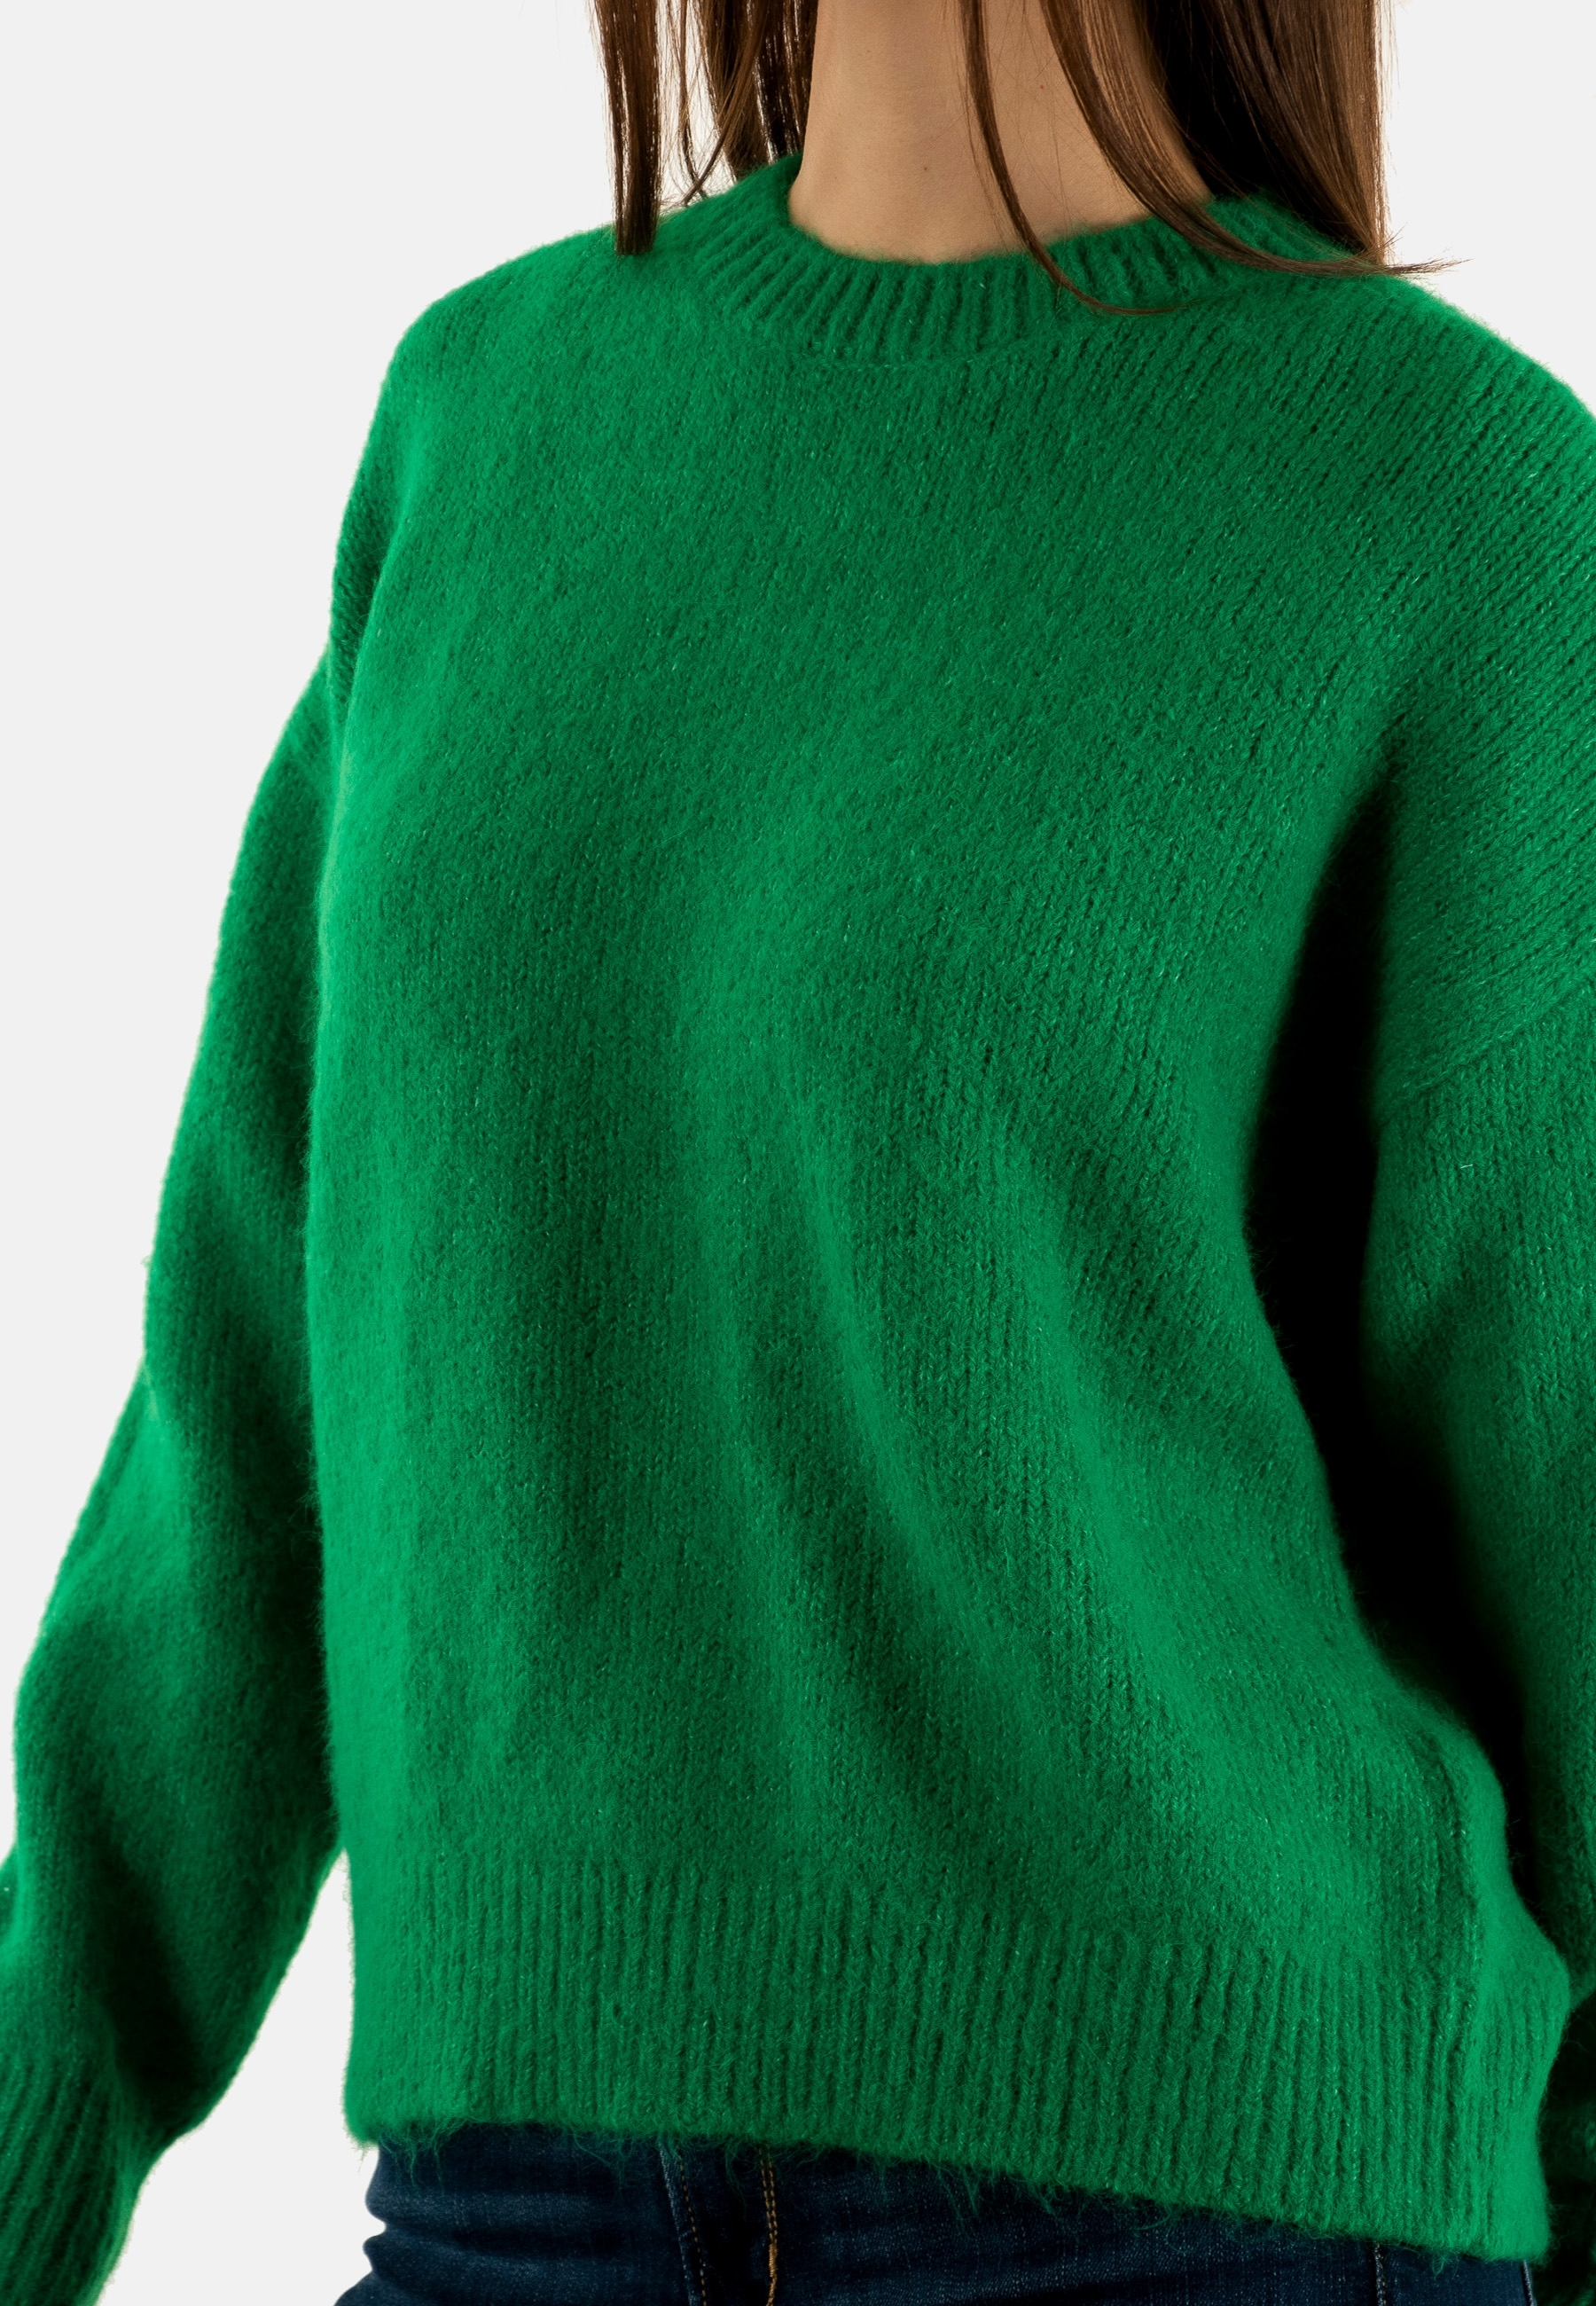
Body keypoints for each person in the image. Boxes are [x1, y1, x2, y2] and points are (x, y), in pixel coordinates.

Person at [2, 0, 1593, 2292]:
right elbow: (249, 1415)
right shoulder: (485, 423)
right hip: (510, 2210)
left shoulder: (1451, 504)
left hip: (1220, 2215)